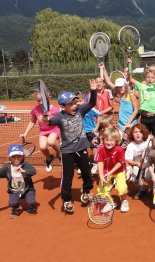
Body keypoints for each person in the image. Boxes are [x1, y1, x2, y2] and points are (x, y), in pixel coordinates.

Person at [43, 79, 97, 213]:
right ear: (62, 107)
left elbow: (91, 103)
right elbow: (50, 122)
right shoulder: (60, 117)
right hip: (67, 151)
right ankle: (67, 200)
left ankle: (86, 191)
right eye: (70, 104)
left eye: (74, 103)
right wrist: (46, 120)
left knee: (86, 172)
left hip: (82, 148)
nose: (74, 106)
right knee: (67, 176)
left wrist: (93, 90)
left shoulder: (80, 111)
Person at [0, 144, 37, 218]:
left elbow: (33, 171)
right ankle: (18, 207)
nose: (16, 159)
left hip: (28, 189)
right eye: (13, 157)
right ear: (9, 157)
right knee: (12, 203)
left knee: (31, 201)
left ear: (23, 156)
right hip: (14, 190)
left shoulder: (26, 165)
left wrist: (24, 171)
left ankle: (31, 206)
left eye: (19, 156)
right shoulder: (7, 167)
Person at [21, 89, 61, 173]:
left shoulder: (55, 110)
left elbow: (60, 122)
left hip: (54, 129)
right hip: (43, 130)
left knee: (51, 142)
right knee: (42, 147)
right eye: (38, 100)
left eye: (42, 100)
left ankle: (59, 154)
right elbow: (32, 121)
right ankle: (49, 159)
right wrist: (25, 133)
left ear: (49, 98)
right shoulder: (36, 109)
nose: (41, 103)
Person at [94, 128, 129, 213]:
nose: (109, 142)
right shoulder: (101, 148)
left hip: (118, 171)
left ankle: (124, 201)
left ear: (116, 141)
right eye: (106, 140)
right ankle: (111, 202)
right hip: (106, 170)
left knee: (121, 188)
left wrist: (110, 172)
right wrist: (101, 175)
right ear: (103, 139)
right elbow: (100, 161)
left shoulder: (119, 149)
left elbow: (120, 163)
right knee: (103, 190)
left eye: (111, 140)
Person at [128, 56, 155, 135]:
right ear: (145, 78)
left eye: (152, 77)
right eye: (148, 77)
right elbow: (130, 78)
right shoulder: (142, 86)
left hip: (154, 117)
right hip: (144, 118)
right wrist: (130, 64)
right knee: (145, 138)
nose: (150, 79)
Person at [125, 124, 153, 199]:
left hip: (149, 164)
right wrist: (137, 164)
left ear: (143, 133)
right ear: (132, 134)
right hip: (137, 164)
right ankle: (143, 190)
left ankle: (152, 189)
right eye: (135, 132)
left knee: (148, 178)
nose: (138, 134)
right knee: (134, 179)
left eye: (140, 132)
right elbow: (129, 160)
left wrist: (153, 140)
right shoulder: (130, 146)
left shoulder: (149, 143)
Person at [75, 91, 100, 174]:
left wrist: (96, 128)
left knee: (94, 147)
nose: (78, 103)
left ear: (84, 101)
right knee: (82, 149)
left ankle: (95, 163)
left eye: (80, 101)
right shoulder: (74, 110)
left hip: (91, 131)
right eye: (76, 102)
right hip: (80, 132)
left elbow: (99, 115)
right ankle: (85, 164)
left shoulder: (89, 108)